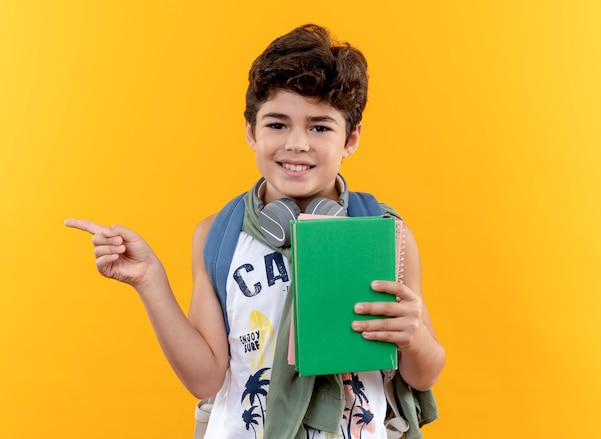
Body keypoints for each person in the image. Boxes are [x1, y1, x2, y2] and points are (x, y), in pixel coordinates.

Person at [65, 24, 445, 438]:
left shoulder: (384, 233)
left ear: (351, 138)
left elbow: (424, 375)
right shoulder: (218, 234)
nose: (297, 143)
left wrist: (414, 338)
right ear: (251, 131)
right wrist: (150, 279)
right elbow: (205, 378)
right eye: (277, 125)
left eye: (320, 127)